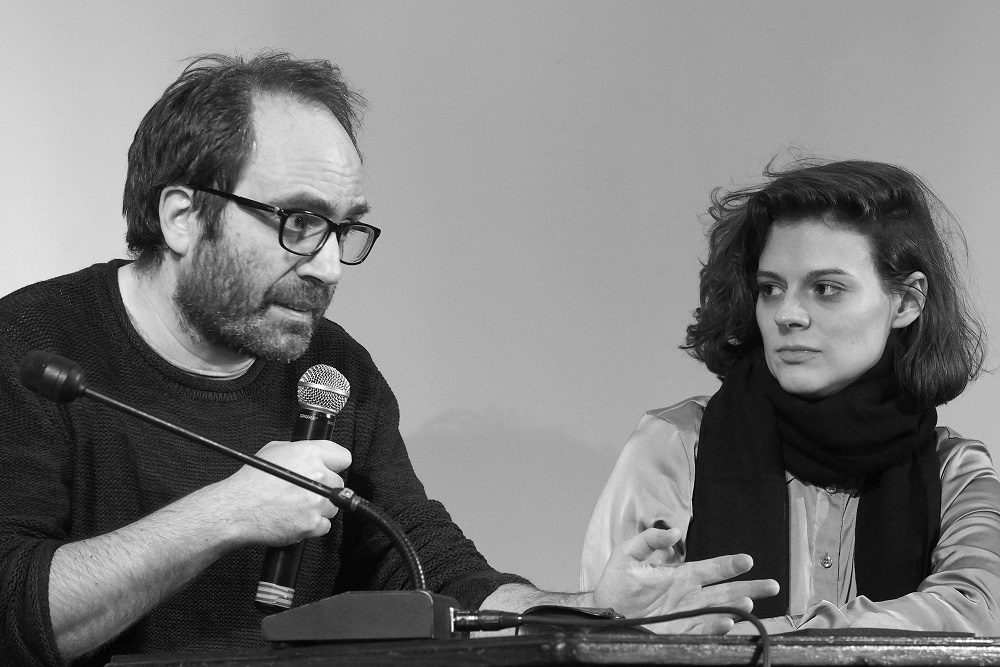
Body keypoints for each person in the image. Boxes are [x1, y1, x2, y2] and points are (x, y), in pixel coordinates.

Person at [0, 52, 778, 666]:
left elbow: (425, 562)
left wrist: (590, 612)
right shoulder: (32, 350)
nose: (327, 266)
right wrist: (227, 512)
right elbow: (13, 611)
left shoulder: (334, 368)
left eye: (344, 229)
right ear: (181, 215)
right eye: (299, 221)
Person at [581, 159, 1000, 636]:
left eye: (826, 289)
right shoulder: (676, 444)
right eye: (771, 289)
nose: (788, 314)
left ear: (906, 301)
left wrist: (745, 642)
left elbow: (974, 616)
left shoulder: (954, 471)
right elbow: (612, 633)